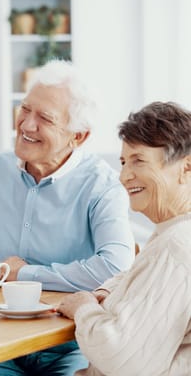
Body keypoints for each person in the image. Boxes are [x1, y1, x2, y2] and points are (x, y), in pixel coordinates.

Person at [0, 60, 135, 375]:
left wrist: (27, 273)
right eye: (25, 109)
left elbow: (115, 267)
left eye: (44, 118)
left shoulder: (102, 185)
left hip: (68, 347)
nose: (27, 125)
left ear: (78, 136)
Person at [59, 102, 191, 376]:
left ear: (186, 167)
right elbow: (142, 282)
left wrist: (83, 308)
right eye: (123, 162)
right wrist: (107, 292)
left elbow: (123, 360)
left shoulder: (176, 247)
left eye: (138, 161)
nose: (124, 176)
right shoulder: (173, 233)